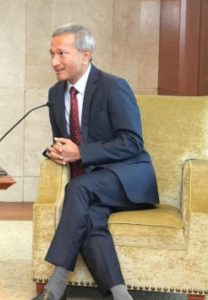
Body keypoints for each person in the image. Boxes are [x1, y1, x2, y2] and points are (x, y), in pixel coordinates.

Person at [33, 24, 159, 300]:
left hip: (128, 178)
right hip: (91, 185)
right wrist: (56, 152)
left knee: (78, 189)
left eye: (62, 53)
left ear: (86, 55)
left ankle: (55, 285)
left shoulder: (114, 86)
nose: (54, 61)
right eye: (52, 54)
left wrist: (82, 153)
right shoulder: (56, 94)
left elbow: (132, 142)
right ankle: (119, 294)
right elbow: (65, 141)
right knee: (90, 217)